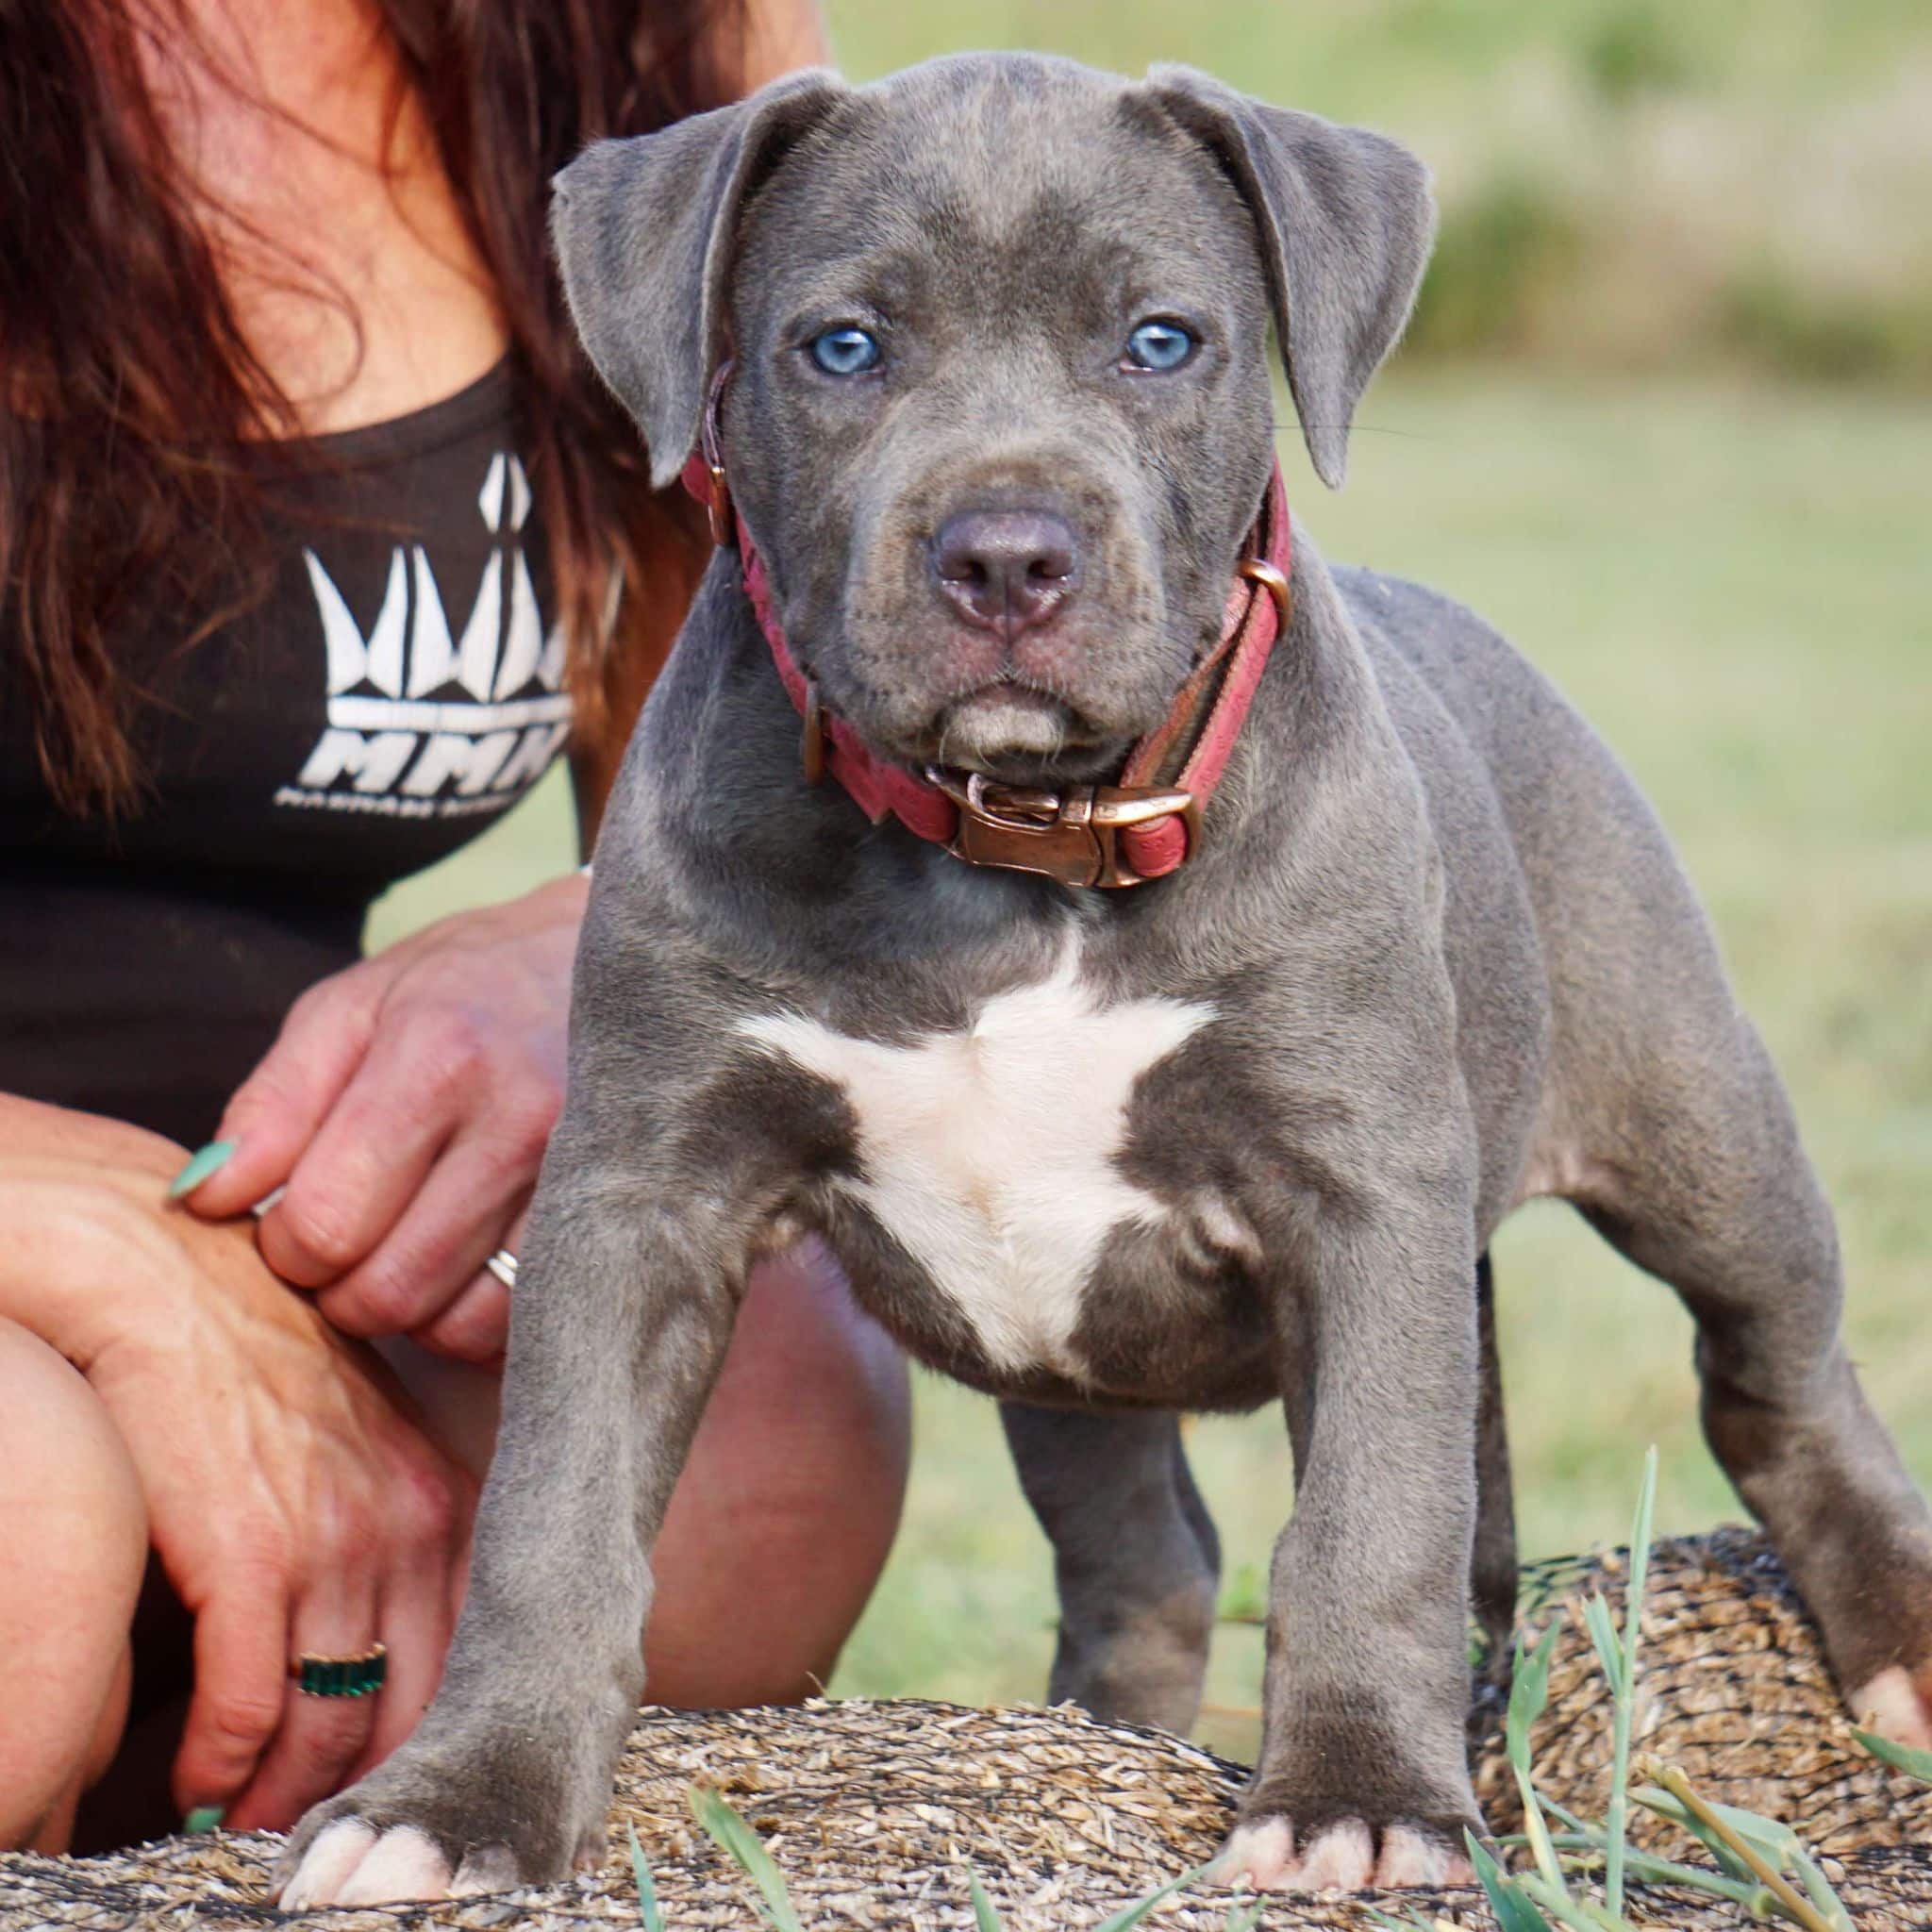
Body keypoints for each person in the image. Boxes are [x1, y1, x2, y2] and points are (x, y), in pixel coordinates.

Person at [0, 0, 909, 1857]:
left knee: (757, 1417)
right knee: (22, 1518)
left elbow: (801, 756)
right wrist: (90, 1240)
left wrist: (616, 928)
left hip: (241, 1183)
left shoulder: (654, 44)